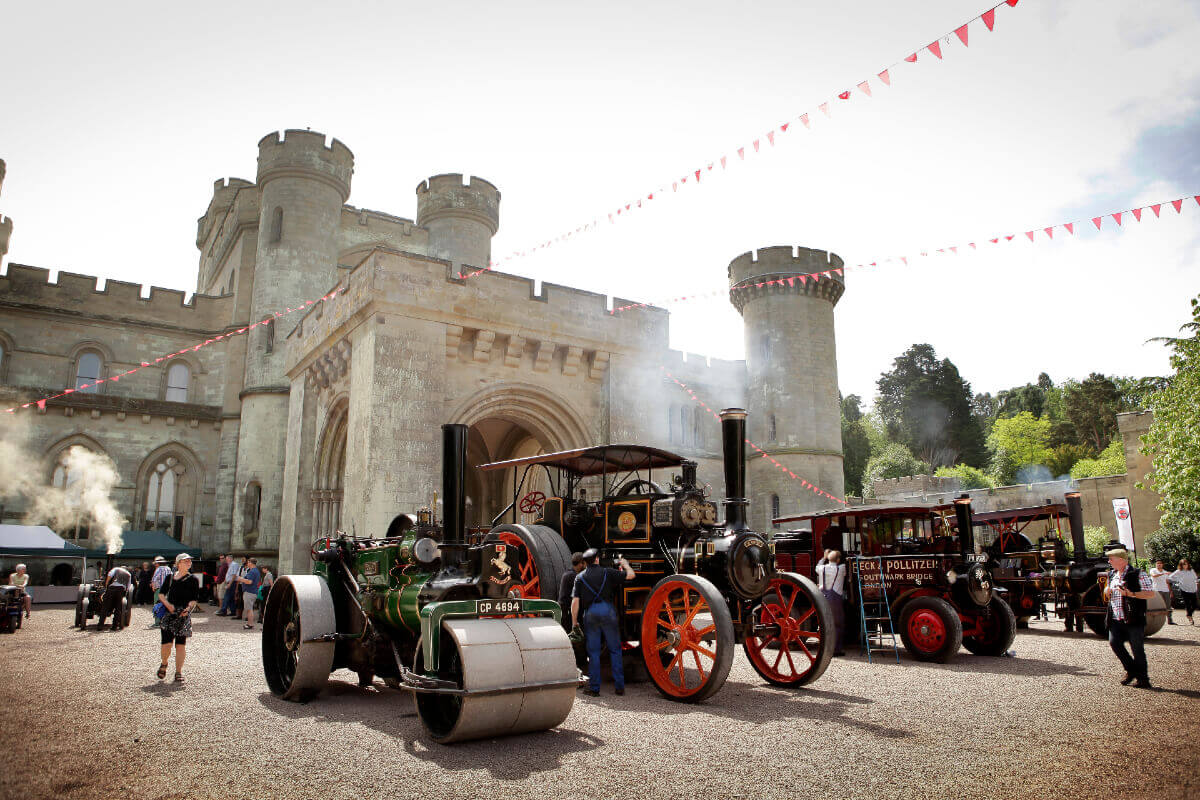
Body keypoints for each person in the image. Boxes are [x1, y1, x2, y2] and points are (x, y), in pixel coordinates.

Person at [571, 548, 634, 697]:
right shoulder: (608, 572)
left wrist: (574, 622)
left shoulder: (579, 578)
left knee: (593, 653)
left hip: (591, 613)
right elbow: (631, 575)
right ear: (597, 559)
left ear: (585, 562)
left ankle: (594, 688)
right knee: (615, 650)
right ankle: (619, 687)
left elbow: (575, 602)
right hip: (608, 611)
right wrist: (625, 565)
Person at [1102, 547, 1156, 689]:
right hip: (1115, 618)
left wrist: (1130, 594)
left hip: (1134, 617)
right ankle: (1131, 670)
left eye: (1111, 559)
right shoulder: (1112, 574)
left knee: (1137, 649)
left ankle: (1143, 679)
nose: (1109, 561)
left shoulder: (1138, 574)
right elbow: (1107, 590)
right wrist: (1106, 590)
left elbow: (1150, 594)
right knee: (1115, 644)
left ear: (1121, 560)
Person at [157, 553, 199, 683]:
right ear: (178, 563)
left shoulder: (193, 580)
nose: (189, 563)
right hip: (169, 614)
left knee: (180, 645)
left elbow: (194, 599)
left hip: (183, 615)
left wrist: (188, 608)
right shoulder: (170, 577)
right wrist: (168, 605)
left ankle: (178, 671)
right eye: (186, 561)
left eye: (189, 561)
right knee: (166, 644)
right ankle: (164, 663)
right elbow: (161, 595)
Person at [815, 549, 847, 656]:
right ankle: (836, 649)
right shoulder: (841, 569)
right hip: (835, 599)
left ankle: (825, 648)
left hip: (822, 598)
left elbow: (817, 567)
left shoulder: (821, 568)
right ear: (838, 560)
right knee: (837, 624)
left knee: (824, 624)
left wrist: (824, 557)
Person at [96, 563, 132, 631]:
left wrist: (106, 584)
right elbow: (129, 586)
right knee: (118, 609)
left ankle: (100, 625)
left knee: (105, 607)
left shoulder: (116, 569)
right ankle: (114, 626)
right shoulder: (128, 574)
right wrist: (125, 592)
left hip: (112, 588)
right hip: (121, 590)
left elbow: (109, 575)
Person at [557, 552, 585, 632]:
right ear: (580, 564)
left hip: (566, 611)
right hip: (567, 614)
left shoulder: (569, 573)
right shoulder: (572, 576)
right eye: (584, 563)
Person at [1168, 558, 1197, 625]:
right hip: (1184, 589)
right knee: (1188, 604)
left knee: (1195, 604)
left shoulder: (1191, 570)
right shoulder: (1179, 571)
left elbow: (1195, 578)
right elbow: (1171, 577)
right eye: (1183, 564)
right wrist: (1178, 580)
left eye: (1185, 564)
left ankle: (1189, 614)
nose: (1184, 565)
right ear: (1181, 565)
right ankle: (1190, 616)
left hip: (1192, 589)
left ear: (1188, 564)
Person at [236, 558, 261, 629]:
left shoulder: (253, 571)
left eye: (248, 562)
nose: (247, 564)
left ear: (251, 563)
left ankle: (250, 624)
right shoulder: (255, 571)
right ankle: (249, 623)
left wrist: (240, 579)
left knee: (249, 609)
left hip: (249, 592)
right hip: (252, 592)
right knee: (249, 608)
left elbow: (249, 582)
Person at [1149, 560, 1174, 625]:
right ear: (1156, 564)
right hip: (1157, 590)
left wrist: (1170, 591)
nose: (1159, 564)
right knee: (1157, 605)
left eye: (1160, 563)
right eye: (1157, 563)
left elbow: (1167, 582)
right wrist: (1163, 574)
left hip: (1166, 590)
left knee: (1168, 606)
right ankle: (1156, 620)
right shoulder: (1153, 570)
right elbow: (1154, 576)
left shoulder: (1165, 572)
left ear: (1162, 564)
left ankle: (1170, 620)